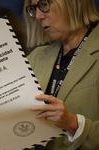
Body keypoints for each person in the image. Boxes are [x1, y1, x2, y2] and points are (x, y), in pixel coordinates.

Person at [24, 0, 99, 149]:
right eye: (33, 8)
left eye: (44, 4)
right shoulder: (35, 57)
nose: (38, 16)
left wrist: (72, 124)